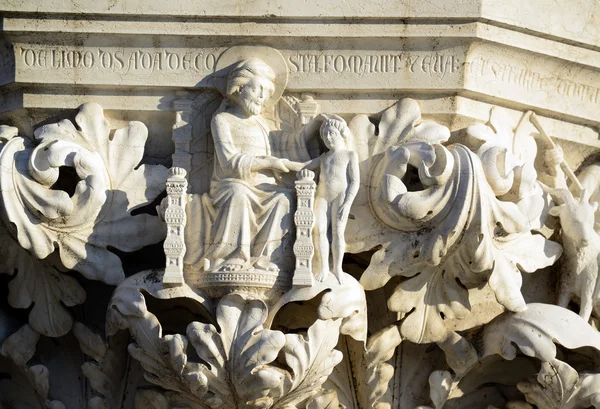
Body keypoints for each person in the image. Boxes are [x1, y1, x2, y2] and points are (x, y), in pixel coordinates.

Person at [185, 57, 316, 274]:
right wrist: (269, 162)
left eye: (267, 93)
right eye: (258, 90)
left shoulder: (261, 124)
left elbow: (287, 143)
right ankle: (232, 256)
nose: (263, 98)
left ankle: (266, 258)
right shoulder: (222, 120)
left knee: (283, 198)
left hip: (261, 188)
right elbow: (228, 162)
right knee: (239, 193)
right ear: (239, 87)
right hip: (229, 185)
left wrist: (314, 127)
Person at [302, 118, 359, 283]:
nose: (328, 137)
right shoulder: (323, 157)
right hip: (322, 196)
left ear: (341, 134)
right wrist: (277, 164)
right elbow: (303, 166)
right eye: (325, 134)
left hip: (340, 196)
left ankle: (337, 268)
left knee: (337, 232)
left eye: (331, 133)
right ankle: (324, 267)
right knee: (318, 230)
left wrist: (347, 203)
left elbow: (355, 182)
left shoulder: (349, 155)